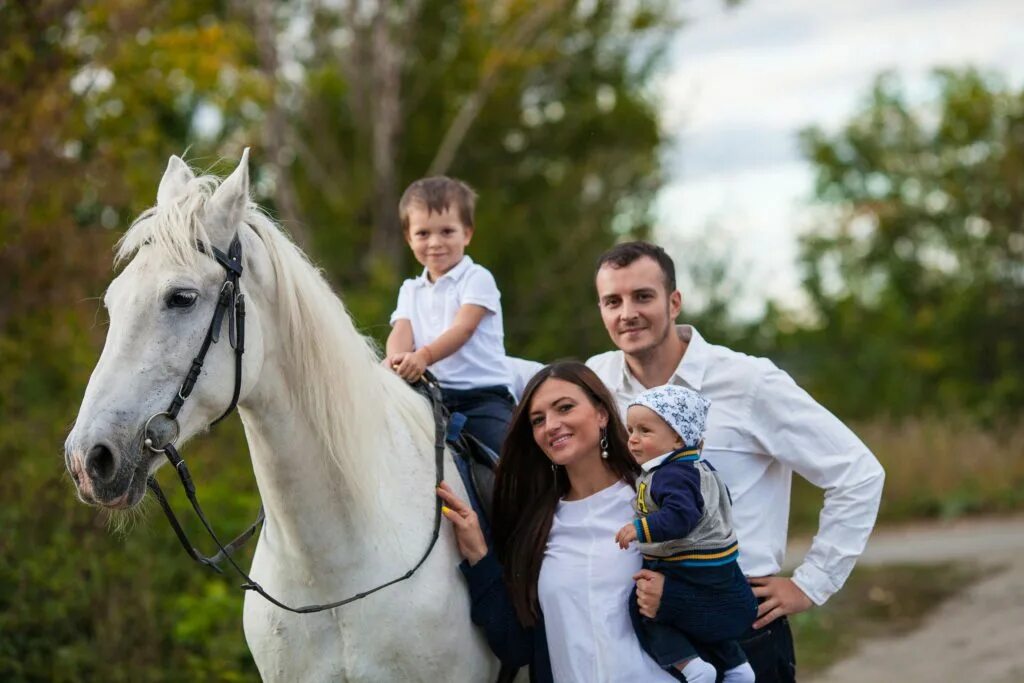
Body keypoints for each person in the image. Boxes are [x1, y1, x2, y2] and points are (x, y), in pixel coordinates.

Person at [586, 241, 886, 682]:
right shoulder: (597, 383)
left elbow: (857, 472)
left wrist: (811, 583)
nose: (627, 312)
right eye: (613, 301)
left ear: (674, 302)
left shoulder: (748, 381)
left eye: (642, 296)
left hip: (735, 625)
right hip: (642, 629)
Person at [437, 362, 694, 682]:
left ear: (601, 413)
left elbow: (726, 605)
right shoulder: (534, 526)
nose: (551, 425)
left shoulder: (661, 499)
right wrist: (478, 556)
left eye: (565, 408)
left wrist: (673, 599)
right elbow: (516, 648)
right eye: (538, 420)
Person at [617, 384, 756, 683]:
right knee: (702, 619)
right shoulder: (700, 468)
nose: (633, 440)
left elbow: (681, 516)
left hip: (688, 561)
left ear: (678, 437)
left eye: (644, 430)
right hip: (720, 563)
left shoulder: (671, 475)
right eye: (630, 430)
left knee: (646, 610)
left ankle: (692, 667)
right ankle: (736, 666)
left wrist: (639, 528)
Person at [385, 176, 513, 454]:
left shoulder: (477, 278)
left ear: (466, 233)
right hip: (429, 394)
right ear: (409, 238)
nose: (435, 242)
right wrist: (397, 360)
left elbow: (462, 329)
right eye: (423, 234)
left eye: (446, 231)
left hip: (479, 397)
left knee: (508, 458)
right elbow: (401, 332)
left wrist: (423, 357)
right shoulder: (410, 289)